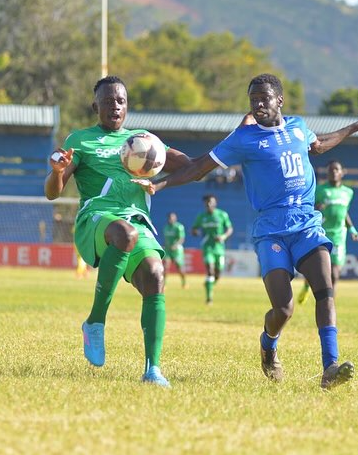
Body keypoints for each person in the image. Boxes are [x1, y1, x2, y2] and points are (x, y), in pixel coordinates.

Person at [137, 73, 358, 389]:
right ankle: (268, 344)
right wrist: (159, 185)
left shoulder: (298, 126)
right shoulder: (243, 139)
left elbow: (320, 145)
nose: (257, 104)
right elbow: (198, 168)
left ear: (279, 100)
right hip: (271, 229)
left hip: (306, 223)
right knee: (283, 309)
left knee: (325, 289)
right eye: (252, 99)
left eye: (264, 98)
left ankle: (330, 367)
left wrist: (357, 125)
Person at [44, 75, 193, 387]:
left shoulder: (142, 141)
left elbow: (188, 165)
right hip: (97, 218)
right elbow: (52, 193)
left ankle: (153, 370)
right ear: (95, 105)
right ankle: (96, 322)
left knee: (155, 274)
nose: (115, 106)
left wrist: (170, 161)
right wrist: (58, 172)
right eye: (109, 100)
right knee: (124, 234)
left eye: (121, 101)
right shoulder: (80, 140)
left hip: (137, 221)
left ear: (127, 107)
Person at [297, 160, 358, 305]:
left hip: (338, 236)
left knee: (334, 273)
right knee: (317, 269)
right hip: (321, 233)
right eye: (330, 170)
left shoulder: (348, 193)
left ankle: (329, 303)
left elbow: (344, 213)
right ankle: (307, 285)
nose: (333, 172)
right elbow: (310, 210)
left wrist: (352, 229)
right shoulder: (319, 190)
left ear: (342, 172)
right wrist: (317, 207)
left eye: (336, 169)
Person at [191, 194, 233, 304]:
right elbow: (194, 229)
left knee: (217, 274)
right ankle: (209, 298)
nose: (209, 204)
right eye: (207, 202)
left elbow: (229, 228)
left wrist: (223, 236)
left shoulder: (222, 215)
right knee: (210, 270)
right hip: (207, 246)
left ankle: (208, 285)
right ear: (205, 203)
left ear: (215, 203)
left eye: (211, 202)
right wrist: (195, 232)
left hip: (219, 248)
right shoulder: (201, 216)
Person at [162, 212, 187, 289]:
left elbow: (181, 238)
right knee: (165, 266)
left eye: (172, 217)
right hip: (168, 250)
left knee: (179, 267)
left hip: (177, 251)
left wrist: (176, 245)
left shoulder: (179, 227)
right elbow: (166, 239)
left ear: (175, 218)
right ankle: (164, 284)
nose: (171, 219)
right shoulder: (166, 227)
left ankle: (184, 282)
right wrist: (164, 245)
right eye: (169, 218)